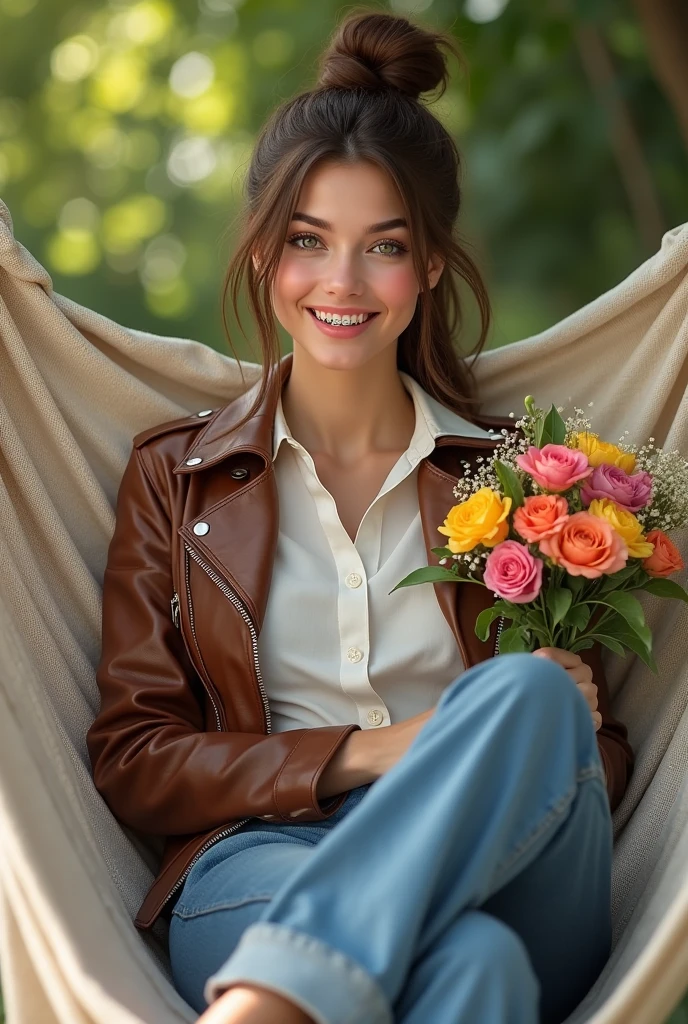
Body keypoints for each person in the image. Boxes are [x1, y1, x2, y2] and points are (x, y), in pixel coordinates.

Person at [86, 9, 634, 1024]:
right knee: (476, 971)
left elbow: (594, 762)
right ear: (263, 257)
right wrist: (378, 749)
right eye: (307, 242)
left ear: (429, 265)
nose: (340, 284)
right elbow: (135, 757)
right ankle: (297, 977)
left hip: (506, 867)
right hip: (262, 867)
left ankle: (272, 1002)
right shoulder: (176, 478)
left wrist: (542, 721)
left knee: (536, 700)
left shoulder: (522, 481)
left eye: (382, 247)